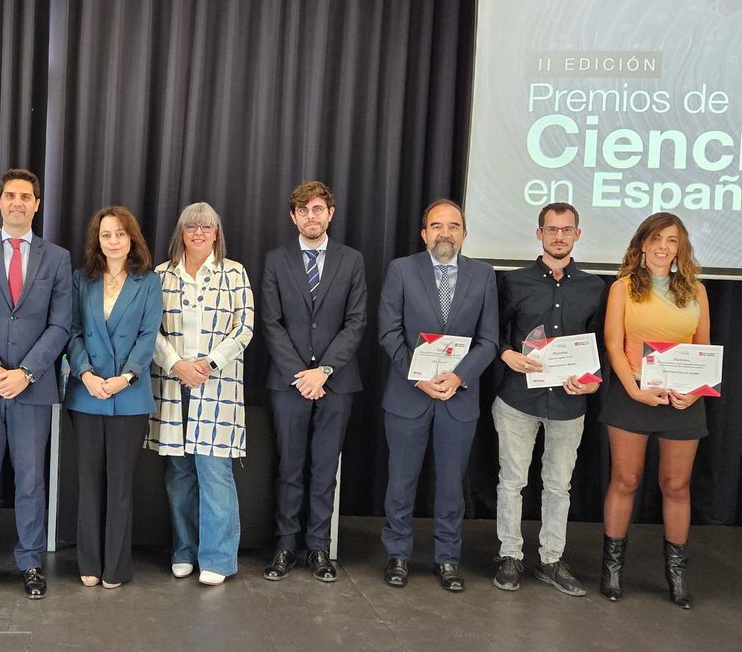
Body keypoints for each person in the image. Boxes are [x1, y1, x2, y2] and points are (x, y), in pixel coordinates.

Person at [0, 169, 72, 599]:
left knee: (29, 479)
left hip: (33, 386)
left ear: (37, 204)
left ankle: (31, 562)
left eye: (26, 196)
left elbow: (61, 325)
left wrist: (26, 373)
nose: (18, 202)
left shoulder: (57, 258)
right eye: (10, 195)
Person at [377, 199, 498, 592]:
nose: (445, 233)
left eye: (453, 226)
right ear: (424, 233)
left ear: (463, 233)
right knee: (401, 480)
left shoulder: (483, 275)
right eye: (437, 226)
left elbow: (489, 340)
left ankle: (447, 559)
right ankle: (397, 555)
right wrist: (419, 377)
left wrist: (458, 377)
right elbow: (389, 333)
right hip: (409, 395)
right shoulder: (401, 270)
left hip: (457, 397)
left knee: (450, 485)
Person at [492, 203, 604, 596]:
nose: (559, 236)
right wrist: (506, 353)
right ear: (539, 233)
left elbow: (599, 347)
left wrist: (593, 381)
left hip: (570, 404)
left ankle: (551, 559)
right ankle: (510, 554)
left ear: (577, 234)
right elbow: (494, 333)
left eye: (566, 229)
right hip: (517, 399)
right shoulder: (513, 281)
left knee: (558, 486)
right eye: (551, 229)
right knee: (512, 481)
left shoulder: (594, 286)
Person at [599, 212, 709, 610]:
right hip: (633, 395)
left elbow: (703, 353)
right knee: (625, 480)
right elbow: (613, 345)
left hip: (683, 402)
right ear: (642, 244)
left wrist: (695, 393)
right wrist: (636, 390)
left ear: (681, 248)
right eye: (657, 239)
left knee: (676, 486)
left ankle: (677, 574)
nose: (664, 246)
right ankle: (612, 570)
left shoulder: (696, 291)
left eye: (673, 240)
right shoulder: (623, 288)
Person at [259, 182, 366, 583]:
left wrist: (325, 371)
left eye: (317, 209)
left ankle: (318, 548)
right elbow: (270, 323)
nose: (311, 216)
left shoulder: (351, 260)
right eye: (303, 210)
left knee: (324, 470)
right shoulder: (275, 260)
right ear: (293, 217)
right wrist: (301, 375)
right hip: (289, 384)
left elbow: (356, 322)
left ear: (330, 213)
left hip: (336, 384)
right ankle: (286, 546)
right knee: (289, 467)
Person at [147, 202, 254, 586]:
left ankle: (218, 558)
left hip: (217, 383)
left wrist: (208, 364)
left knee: (214, 472)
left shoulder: (234, 273)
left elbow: (244, 328)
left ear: (216, 233)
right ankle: (184, 551)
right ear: (180, 232)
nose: (198, 233)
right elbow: (150, 330)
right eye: (191, 227)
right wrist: (177, 364)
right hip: (173, 384)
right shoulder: (161, 275)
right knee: (178, 473)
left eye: (206, 227)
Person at [64, 206, 162, 589]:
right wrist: (86, 373)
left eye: (121, 233)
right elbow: (71, 331)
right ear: (98, 240)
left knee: (120, 485)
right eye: (106, 235)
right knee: (88, 482)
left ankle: (116, 567)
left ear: (132, 238)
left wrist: (126, 377)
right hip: (87, 392)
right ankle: (88, 562)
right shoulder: (80, 279)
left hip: (129, 392)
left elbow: (147, 336)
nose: (114, 241)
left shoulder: (148, 282)